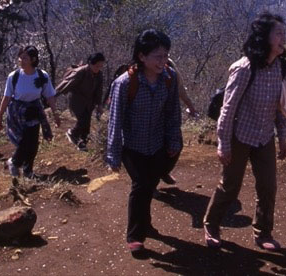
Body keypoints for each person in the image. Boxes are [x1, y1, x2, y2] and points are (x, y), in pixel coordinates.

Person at [203, 12, 286, 251]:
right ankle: (211, 224)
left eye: (284, 33)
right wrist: (223, 143)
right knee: (230, 185)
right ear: (265, 38)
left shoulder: (281, 68)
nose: (284, 38)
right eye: (278, 33)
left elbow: (281, 107)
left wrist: (282, 137)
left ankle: (263, 233)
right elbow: (228, 109)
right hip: (240, 135)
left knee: (268, 186)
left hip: (264, 137)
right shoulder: (245, 68)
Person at [106, 29, 183, 254]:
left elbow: (172, 113)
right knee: (141, 185)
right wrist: (113, 154)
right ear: (142, 56)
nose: (163, 61)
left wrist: (174, 141)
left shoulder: (169, 79)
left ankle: (145, 224)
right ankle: (135, 236)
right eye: (158, 56)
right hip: (133, 145)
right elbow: (115, 120)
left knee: (149, 184)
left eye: (166, 55)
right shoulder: (124, 83)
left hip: (157, 143)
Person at [0, 46, 59, 178]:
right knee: (24, 140)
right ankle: (14, 162)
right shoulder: (14, 76)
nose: (21, 60)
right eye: (20, 57)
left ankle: (27, 170)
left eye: (25, 58)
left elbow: (49, 96)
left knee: (33, 142)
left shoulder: (42, 75)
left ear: (33, 59)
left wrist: (55, 113)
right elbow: (7, 96)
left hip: (34, 110)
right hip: (17, 112)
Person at [158, 58, 197, 185]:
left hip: (169, 117)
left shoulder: (170, 66)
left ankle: (163, 172)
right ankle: (151, 184)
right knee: (154, 150)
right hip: (151, 118)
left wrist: (191, 106)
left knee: (176, 145)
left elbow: (181, 89)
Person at [55, 52, 106, 151]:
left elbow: (98, 91)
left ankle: (82, 143)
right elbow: (66, 83)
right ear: (90, 63)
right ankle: (72, 133)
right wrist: (53, 95)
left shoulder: (99, 75)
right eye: (96, 66)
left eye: (100, 66)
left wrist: (99, 105)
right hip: (77, 101)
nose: (98, 68)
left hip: (89, 102)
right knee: (82, 120)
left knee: (87, 123)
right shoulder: (80, 72)